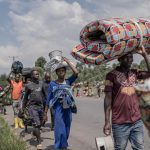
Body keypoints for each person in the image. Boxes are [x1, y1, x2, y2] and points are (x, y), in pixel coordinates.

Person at [103, 46, 150, 150]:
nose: (130, 59)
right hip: (120, 123)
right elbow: (107, 99)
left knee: (139, 148)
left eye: (131, 57)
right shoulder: (111, 76)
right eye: (127, 57)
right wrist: (107, 121)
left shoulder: (135, 73)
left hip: (136, 121)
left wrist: (144, 55)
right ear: (119, 59)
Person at [44, 57, 78, 150]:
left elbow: (76, 73)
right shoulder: (52, 84)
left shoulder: (68, 81)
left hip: (68, 109)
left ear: (65, 72)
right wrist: (45, 113)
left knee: (67, 129)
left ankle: (64, 145)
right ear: (56, 73)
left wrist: (68, 62)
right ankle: (58, 147)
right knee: (59, 130)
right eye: (59, 71)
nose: (61, 72)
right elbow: (48, 99)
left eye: (63, 70)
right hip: (58, 109)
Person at [22, 69, 46, 149]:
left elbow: (45, 96)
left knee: (41, 123)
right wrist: (23, 108)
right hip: (32, 108)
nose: (37, 75)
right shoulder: (28, 86)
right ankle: (39, 142)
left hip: (41, 107)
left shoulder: (41, 84)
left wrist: (46, 110)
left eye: (38, 74)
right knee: (37, 124)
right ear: (32, 76)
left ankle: (34, 132)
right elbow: (25, 98)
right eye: (36, 74)